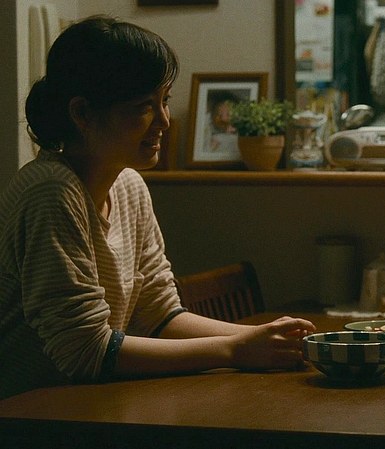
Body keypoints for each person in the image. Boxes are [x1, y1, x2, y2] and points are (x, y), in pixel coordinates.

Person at [0, 15, 316, 400]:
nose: (164, 121)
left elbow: (159, 316)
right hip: (25, 412)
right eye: (143, 106)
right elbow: (85, 350)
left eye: (163, 101)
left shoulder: (129, 185)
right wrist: (236, 349)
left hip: (85, 404)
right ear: (81, 113)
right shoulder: (50, 191)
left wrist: (264, 339)